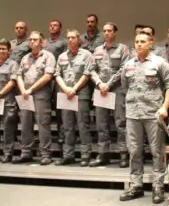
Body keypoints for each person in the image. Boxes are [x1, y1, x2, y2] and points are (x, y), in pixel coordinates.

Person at [119, 32, 169, 204]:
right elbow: (125, 86)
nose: (139, 44)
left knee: (157, 151)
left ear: (151, 43)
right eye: (136, 41)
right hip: (133, 114)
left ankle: (158, 187)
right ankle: (136, 185)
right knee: (134, 151)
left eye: (143, 41)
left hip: (153, 114)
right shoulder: (128, 64)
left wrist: (165, 107)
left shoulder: (160, 63)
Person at [87, 22, 130, 168]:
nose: (106, 33)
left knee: (120, 123)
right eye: (104, 31)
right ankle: (103, 154)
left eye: (109, 30)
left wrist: (108, 84)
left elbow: (124, 69)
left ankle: (123, 154)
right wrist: (99, 84)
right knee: (101, 124)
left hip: (117, 90)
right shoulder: (98, 50)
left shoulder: (123, 49)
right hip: (101, 91)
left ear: (115, 32)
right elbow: (91, 69)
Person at [14, 31, 56, 165]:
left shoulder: (48, 56)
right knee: (25, 124)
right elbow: (19, 75)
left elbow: (48, 76)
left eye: (35, 40)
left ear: (42, 42)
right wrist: (23, 90)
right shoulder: (25, 58)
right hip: (25, 93)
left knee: (43, 124)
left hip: (41, 94)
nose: (32, 42)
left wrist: (30, 89)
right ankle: (26, 152)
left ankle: (45, 154)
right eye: (31, 40)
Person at [54, 29, 93, 166]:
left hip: (81, 94)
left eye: (73, 37)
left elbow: (87, 74)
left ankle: (85, 155)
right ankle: (68, 155)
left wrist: (74, 89)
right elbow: (57, 74)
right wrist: (65, 88)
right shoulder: (62, 56)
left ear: (79, 40)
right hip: (65, 94)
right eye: (68, 38)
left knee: (83, 126)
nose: (70, 40)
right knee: (67, 126)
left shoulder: (87, 55)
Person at [44, 19, 68, 145]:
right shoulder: (44, 43)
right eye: (51, 25)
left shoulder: (63, 42)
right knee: (46, 109)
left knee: (60, 109)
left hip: (58, 79)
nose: (52, 27)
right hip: (46, 80)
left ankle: (62, 135)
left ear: (60, 28)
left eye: (55, 25)